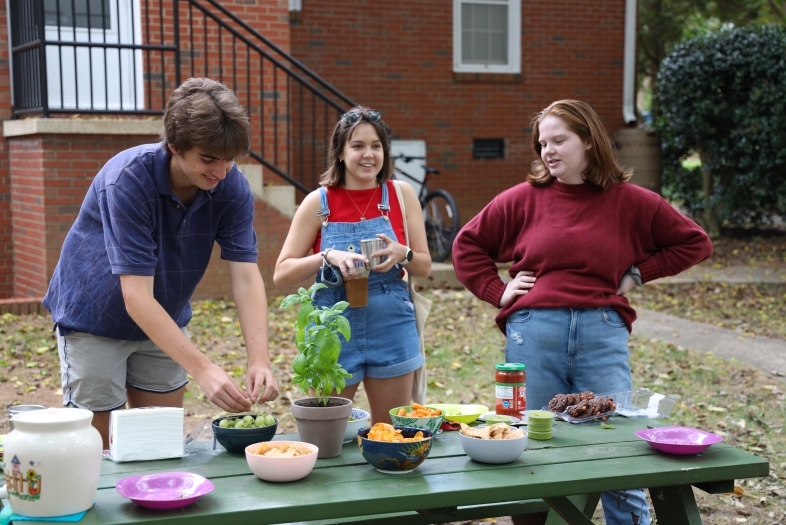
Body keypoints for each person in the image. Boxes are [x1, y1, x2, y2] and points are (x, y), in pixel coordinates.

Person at [452, 99, 712, 525]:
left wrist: (639, 273)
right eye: (542, 143)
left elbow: (694, 242)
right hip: (535, 333)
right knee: (532, 445)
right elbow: (467, 245)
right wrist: (498, 290)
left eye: (559, 140)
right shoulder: (521, 200)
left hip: (602, 333)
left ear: (589, 141)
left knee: (615, 446)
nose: (548, 151)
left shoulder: (632, 202)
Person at [43, 77, 280, 448]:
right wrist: (203, 369)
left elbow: (247, 278)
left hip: (164, 319)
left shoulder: (230, 186)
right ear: (175, 146)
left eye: (230, 160)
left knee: (155, 446)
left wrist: (259, 360)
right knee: (96, 451)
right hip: (94, 320)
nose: (220, 172)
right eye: (208, 159)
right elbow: (136, 296)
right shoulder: (127, 180)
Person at [274, 106, 431, 424]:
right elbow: (282, 273)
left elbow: (425, 267)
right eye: (358, 146)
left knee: (389, 432)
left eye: (376, 146)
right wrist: (327, 256)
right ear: (341, 153)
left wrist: (404, 253)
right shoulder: (318, 203)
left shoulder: (401, 196)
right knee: (326, 434)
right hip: (333, 328)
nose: (368, 154)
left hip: (391, 324)